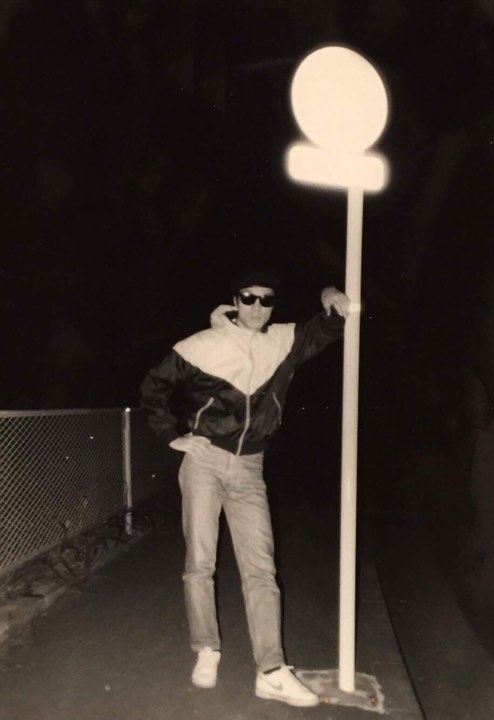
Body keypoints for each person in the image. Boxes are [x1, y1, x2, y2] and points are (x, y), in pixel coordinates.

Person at [140, 267, 349, 707]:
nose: (257, 307)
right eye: (249, 298)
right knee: (200, 561)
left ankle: (271, 671)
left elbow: (329, 325)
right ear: (235, 301)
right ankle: (207, 649)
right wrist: (173, 436)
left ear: (273, 305)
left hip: (251, 468)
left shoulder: (284, 341)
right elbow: (154, 387)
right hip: (204, 463)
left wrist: (330, 290)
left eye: (266, 300)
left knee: (261, 569)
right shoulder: (201, 345)